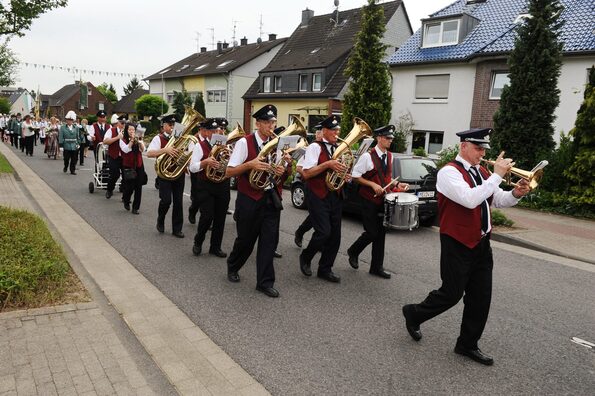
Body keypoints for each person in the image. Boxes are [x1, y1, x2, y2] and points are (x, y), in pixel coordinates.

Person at [401, 128, 531, 366]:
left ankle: (467, 344)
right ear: (464, 147)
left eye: (484, 149)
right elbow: (470, 199)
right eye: (478, 148)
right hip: (457, 242)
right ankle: (414, 313)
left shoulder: (481, 171)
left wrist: (516, 193)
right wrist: (497, 176)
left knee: (481, 297)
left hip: (482, 243)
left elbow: (497, 200)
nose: (482, 153)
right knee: (451, 294)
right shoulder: (448, 172)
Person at [225, 104, 291, 298]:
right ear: (258, 123)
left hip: (271, 199)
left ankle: (264, 282)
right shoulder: (245, 143)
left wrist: (284, 168)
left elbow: (281, 176)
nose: (272, 126)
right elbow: (229, 171)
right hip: (249, 199)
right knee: (246, 240)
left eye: (273, 122)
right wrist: (250, 164)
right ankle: (233, 265)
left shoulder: (277, 143)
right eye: (268, 122)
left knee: (269, 243)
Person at [346, 125, 409, 279]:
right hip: (368, 199)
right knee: (371, 232)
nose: (390, 141)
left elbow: (386, 178)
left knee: (381, 235)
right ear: (379, 138)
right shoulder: (367, 156)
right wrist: (372, 185)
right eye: (387, 138)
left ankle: (376, 267)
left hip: (383, 199)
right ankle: (353, 251)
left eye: (391, 138)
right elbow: (355, 176)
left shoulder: (390, 156)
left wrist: (396, 184)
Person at [299, 115, 346, 283]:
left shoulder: (339, 148)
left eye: (338, 130)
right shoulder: (314, 147)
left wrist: (344, 175)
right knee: (323, 232)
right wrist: (327, 164)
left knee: (335, 236)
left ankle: (325, 269)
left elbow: (340, 170)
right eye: (334, 130)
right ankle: (306, 256)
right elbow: (306, 173)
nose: (337, 132)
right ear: (324, 131)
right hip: (318, 194)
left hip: (335, 194)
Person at [189, 118, 230, 258]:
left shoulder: (225, 145)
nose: (217, 133)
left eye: (218, 130)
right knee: (207, 216)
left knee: (220, 218)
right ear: (206, 132)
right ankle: (198, 241)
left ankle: (215, 247)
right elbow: (192, 168)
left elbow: (231, 163)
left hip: (222, 184)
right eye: (213, 131)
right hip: (206, 185)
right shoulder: (200, 146)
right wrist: (205, 162)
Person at [147, 114, 186, 238]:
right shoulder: (158, 138)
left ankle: (177, 229)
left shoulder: (181, 138)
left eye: (174, 125)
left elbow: (187, 153)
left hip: (179, 173)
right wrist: (165, 150)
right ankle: (161, 218)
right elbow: (149, 153)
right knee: (166, 200)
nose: (172, 127)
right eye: (170, 125)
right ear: (163, 126)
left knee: (178, 202)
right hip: (164, 174)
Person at [294, 125, 323, 248]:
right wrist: (306, 175)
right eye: (318, 132)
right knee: (317, 215)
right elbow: (299, 167)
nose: (318, 134)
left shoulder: (331, 148)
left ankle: (303, 233)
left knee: (318, 216)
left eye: (320, 132)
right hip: (311, 185)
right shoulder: (311, 149)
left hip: (324, 186)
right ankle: (302, 233)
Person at [119, 123, 146, 214]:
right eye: (130, 130)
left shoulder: (139, 138)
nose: (132, 131)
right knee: (129, 187)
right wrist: (131, 140)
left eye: (133, 130)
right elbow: (126, 150)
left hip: (139, 165)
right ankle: (126, 200)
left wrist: (139, 142)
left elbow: (143, 150)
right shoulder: (122, 140)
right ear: (126, 130)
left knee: (138, 187)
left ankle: (136, 208)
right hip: (128, 166)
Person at [102, 114, 126, 199]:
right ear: (118, 122)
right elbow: (105, 141)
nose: (123, 125)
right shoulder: (111, 130)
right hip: (113, 156)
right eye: (122, 123)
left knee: (127, 175)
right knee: (114, 175)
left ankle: (125, 196)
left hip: (125, 157)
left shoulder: (128, 131)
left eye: (124, 123)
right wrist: (117, 137)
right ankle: (110, 190)